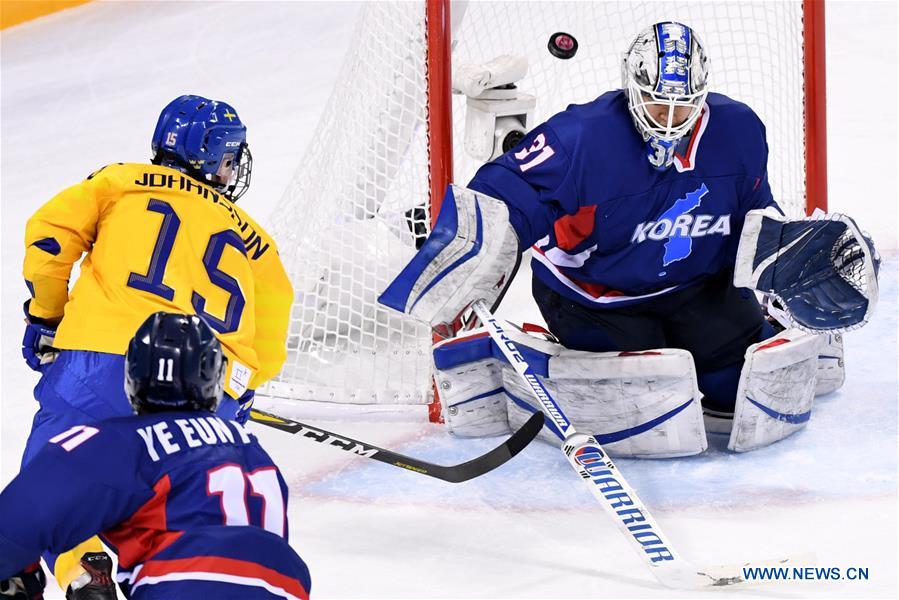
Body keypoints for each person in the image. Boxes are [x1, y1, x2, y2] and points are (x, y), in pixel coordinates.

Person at [381, 22, 877, 456]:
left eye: (682, 108)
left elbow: (752, 211)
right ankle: (515, 363)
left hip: (695, 286)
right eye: (657, 105)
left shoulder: (740, 130)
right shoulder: (583, 137)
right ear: (632, 89)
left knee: (735, 381)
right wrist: (479, 255)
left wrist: (789, 253)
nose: (668, 120)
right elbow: (507, 190)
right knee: (642, 384)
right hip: (592, 296)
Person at [19, 95, 293, 593]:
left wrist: (47, 315)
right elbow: (270, 334)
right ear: (216, 160)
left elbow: (49, 237)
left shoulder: (120, 181)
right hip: (203, 388)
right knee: (175, 494)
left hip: (98, 360)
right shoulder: (255, 239)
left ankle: (83, 569)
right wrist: (237, 395)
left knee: (55, 463)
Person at [0, 313, 311, 600]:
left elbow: (19, 520)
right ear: (214, 380)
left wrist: (21, 577)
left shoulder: (123, 440)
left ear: (132, 376)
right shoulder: (253, 451)